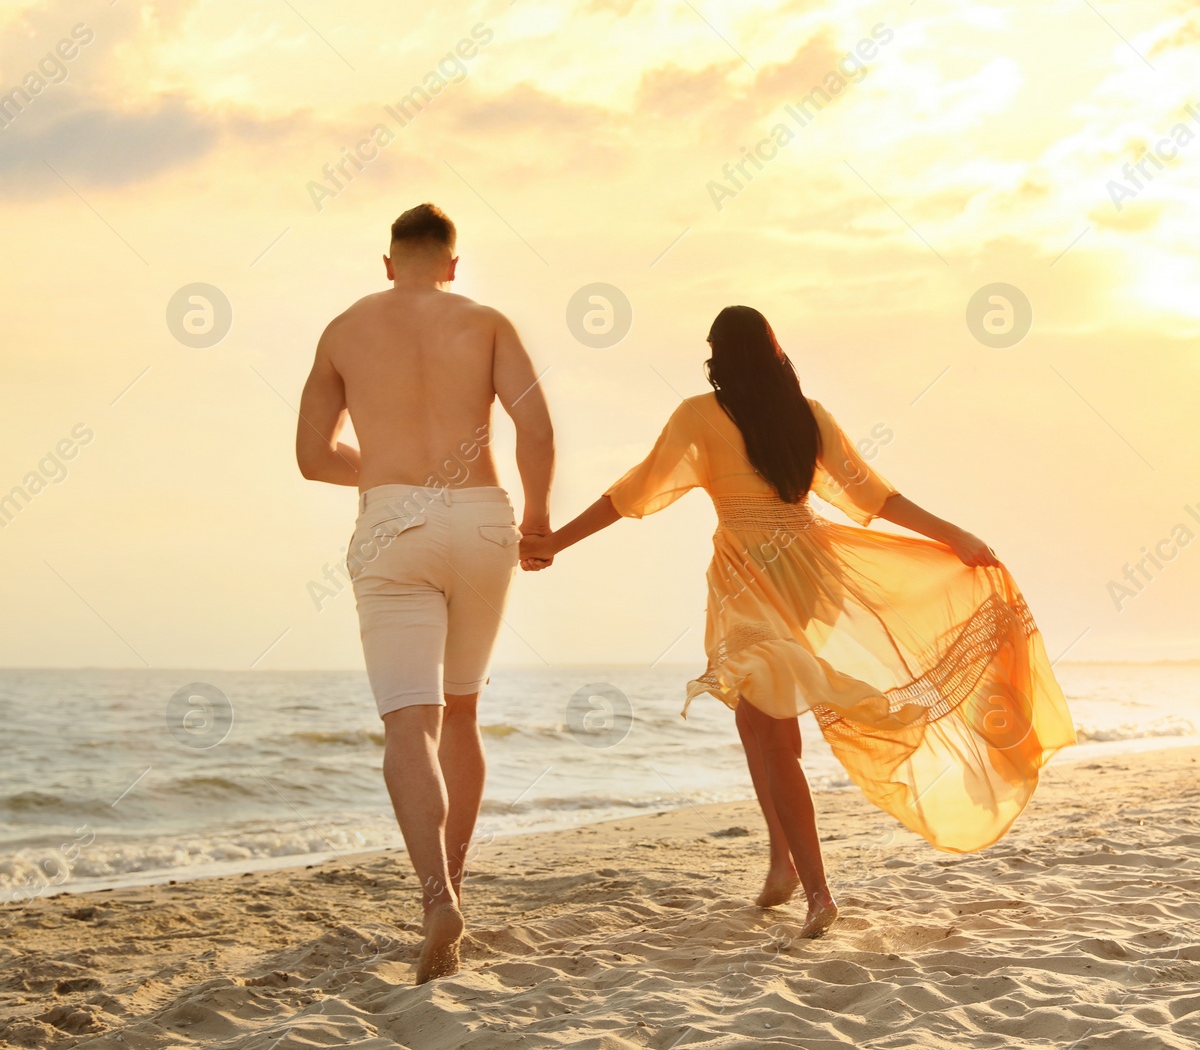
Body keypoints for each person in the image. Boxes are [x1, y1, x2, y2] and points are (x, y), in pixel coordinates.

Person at [522, 305, 1074, 939]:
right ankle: (782, 862)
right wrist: (953, 532)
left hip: (756, 581)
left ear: (716, 356)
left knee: (766, 720)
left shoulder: (703, 414)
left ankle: (817, 891)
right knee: (761, 723)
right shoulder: (805, 414)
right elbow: (877, 497)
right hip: (806, 576)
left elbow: (631, 493)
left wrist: (556, 541)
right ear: (774, 348)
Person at [295, 203, 554, 983]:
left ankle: (435, 895)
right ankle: (459, 879)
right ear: (450, 263)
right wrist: (537, 521)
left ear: (387, 262)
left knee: (411, 723)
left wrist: (379, 469)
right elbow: (535, 429)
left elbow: (311, 456)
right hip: (480, 518)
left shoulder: (344, 328)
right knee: (464, 708)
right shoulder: (487, 321)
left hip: (392, 524)